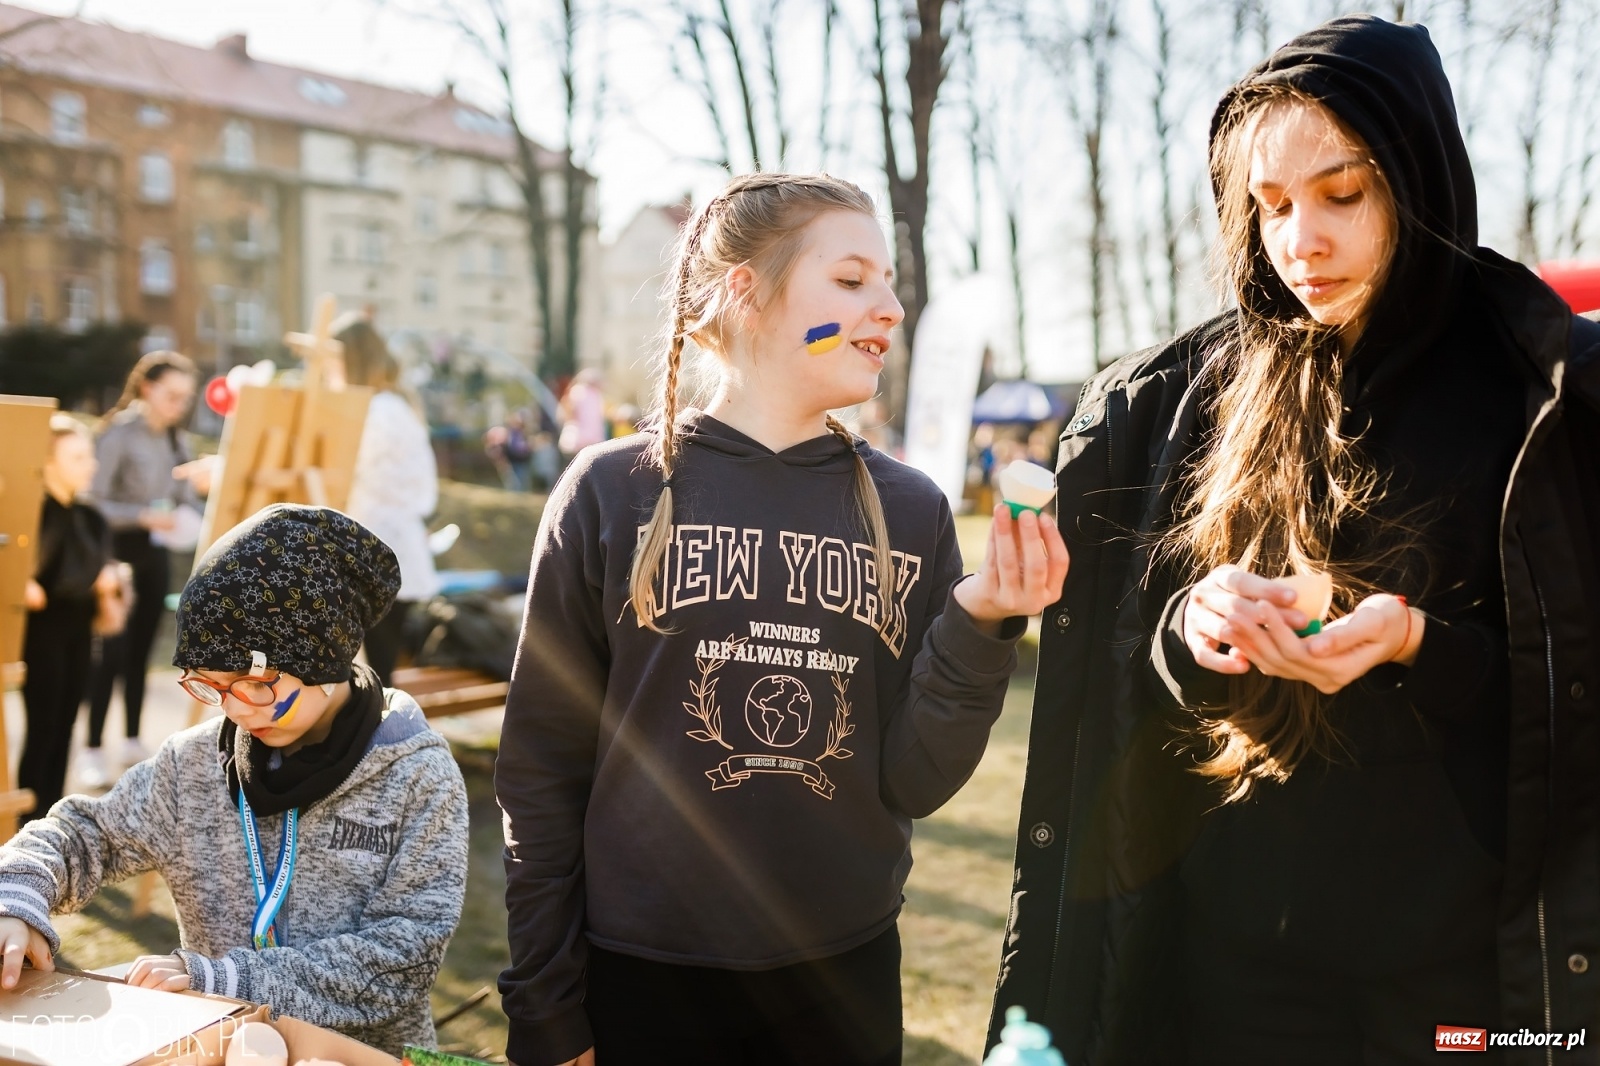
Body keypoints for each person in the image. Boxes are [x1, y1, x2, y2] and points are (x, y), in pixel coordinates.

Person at [992, 16, 1600, 1066]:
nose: (1299, 240)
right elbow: (1134, 693)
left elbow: (1574, 705)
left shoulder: (1549, 395)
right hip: (1228, 967)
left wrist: (1416, 642)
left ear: (1420, 178)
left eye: (1340, 194)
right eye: (1268, 206)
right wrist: (1194, 631)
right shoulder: (1192, 397)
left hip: (1462, 992)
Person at [496, 173, 1070, 1066]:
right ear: (747, 291)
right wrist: (545, 1006)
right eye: (851, 281)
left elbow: (916, 780)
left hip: (840, 981)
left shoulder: (911, 510)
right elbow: (539, 772)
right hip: (639, 977)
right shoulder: (610, 491)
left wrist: (983, 618)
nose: (888, 307)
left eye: (889, 282)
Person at [0, 505, 469, 1056]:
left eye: (253, 683)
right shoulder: (193, 765)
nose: (235, 710)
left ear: (324, 652)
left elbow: (403, 955)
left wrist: (227, 981)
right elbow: (82, 835)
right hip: (216, 1049)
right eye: (209, 685)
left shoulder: (417, 777)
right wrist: (17, 898)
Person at [84, 350, 202, 787]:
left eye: (186, 397)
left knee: (141, 650)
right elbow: (92, 502)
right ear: (147, 389)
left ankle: (133, 738)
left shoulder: (177, 439)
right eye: (172, 394)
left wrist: (193, 504)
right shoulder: (117, 434)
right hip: (113, 552)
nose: (179, 404)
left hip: (155, 553)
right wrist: (142, 515)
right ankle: (93, 746)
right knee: (109, 654)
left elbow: (186, 500)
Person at [336, 313, 443, 687]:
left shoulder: (378, 412)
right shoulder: (392, 406)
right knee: (376, 673)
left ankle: (379, 744)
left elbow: (344, 472)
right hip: (387, 547)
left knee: (376, 678)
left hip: (380, 548)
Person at [19, 416, 117, 820]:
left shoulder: (90, 516)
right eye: (78, 456)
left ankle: (50, 814)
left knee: (65, 723)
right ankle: (26, 815)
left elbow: (99, 566)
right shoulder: (29, 514)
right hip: (40, 630)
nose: (90, 464)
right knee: (42, 724)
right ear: (49, 461)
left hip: (80, 626)